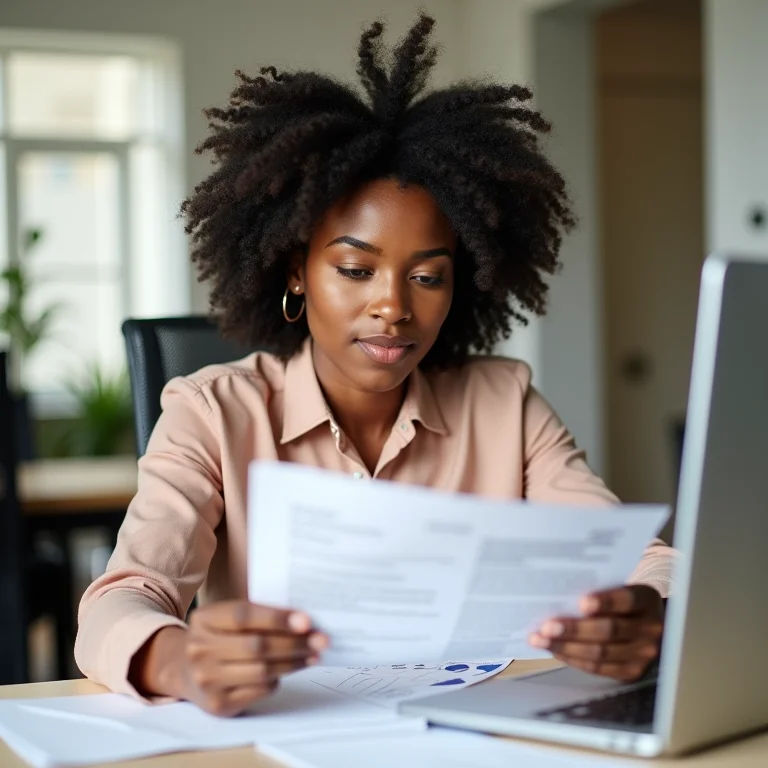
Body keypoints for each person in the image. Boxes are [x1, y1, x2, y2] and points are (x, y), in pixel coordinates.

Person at [76, 14, 675, 717]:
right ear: (296, 272)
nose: (393, 307)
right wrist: (179, 660)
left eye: (428, 277)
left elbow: (645, 561)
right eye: (356, 269)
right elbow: (122, 599)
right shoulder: (212, 413)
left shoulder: (503, 403)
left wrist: (646, 612)